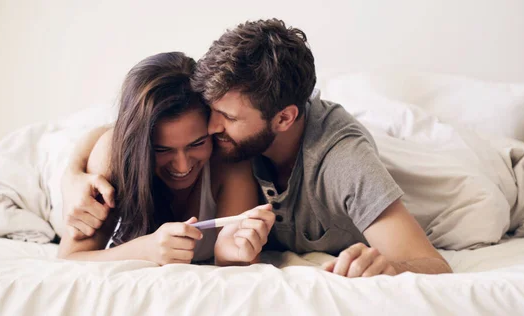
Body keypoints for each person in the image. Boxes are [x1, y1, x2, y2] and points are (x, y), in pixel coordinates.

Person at [62, 19, 452, 277]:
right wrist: (73, 171)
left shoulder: (340, 162)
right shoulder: (221, 136)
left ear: (282, 119)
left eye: (225, 119)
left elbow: (430, 264)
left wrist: (390, 269)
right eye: (211, 112)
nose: (211, 130)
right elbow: (130, 129)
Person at [57, 52, 275, 266]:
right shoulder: (111, 155)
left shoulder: (229, 160)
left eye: (197, 143)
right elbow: (69, 259)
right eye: (161, 149)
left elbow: (237, 261)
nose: (182, 165)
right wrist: (144, 250)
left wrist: (231, 254)